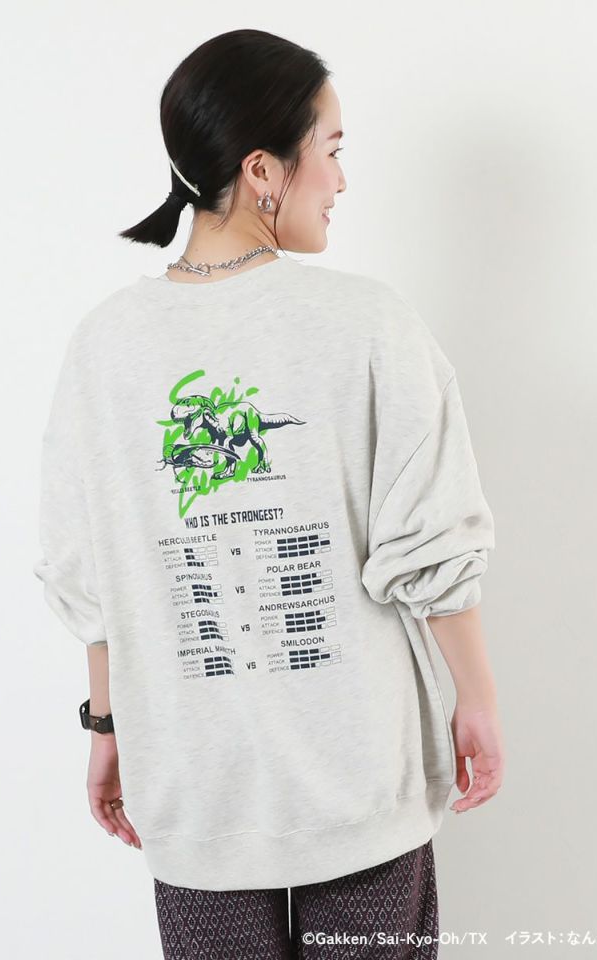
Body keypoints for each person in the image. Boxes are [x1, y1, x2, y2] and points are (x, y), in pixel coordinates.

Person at [33, 28, 505, 959]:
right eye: (330, 149)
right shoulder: (367, 324)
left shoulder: (105, 347)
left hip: (194, 788)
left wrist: (107, 725)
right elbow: (433, 541)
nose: (342, 179)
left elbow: (89, 573)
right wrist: (477, 698)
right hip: (359, 782)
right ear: (262, 170)